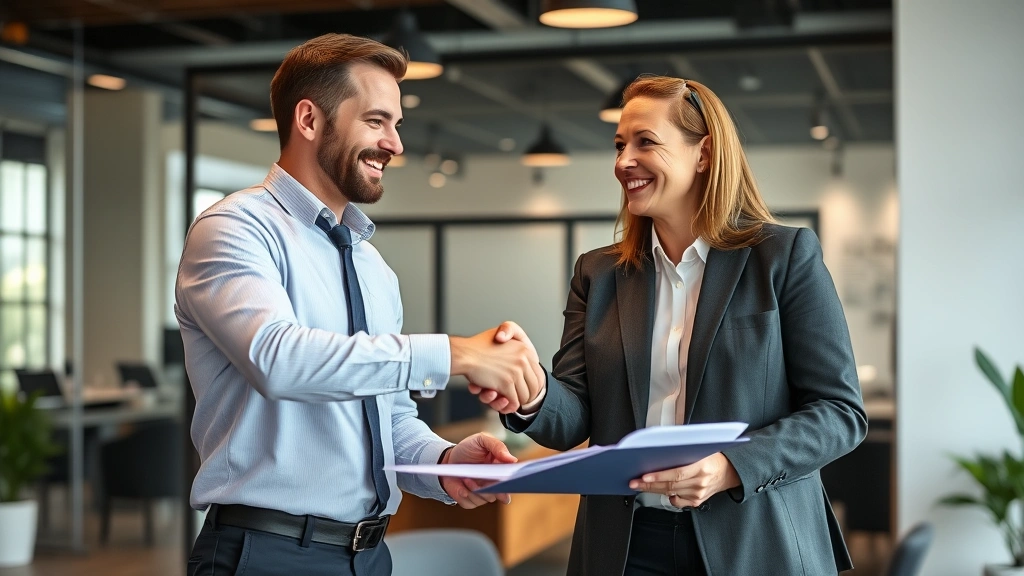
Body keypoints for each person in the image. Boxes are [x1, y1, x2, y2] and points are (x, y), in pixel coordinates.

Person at [176, 34, 543, 575]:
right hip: (267, 554)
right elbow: (279, 359)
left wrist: (442, 462)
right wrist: (455, 354)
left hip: (370, 556)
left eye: (396, 125)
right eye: (376, 121)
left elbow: (388, 418)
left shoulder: (372, 268)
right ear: (309, 120)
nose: (394, 144)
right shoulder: (235, 229)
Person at [493, 76, 868, 575]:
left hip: (754, 539)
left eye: (645, 141)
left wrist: (731, 467)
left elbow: (839, 412)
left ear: (705, 153)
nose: (623, 161)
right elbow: (576, 414)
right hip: (626, 546)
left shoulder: (782, 258)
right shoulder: (597, 273)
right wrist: (531, 388)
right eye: (620, 144)